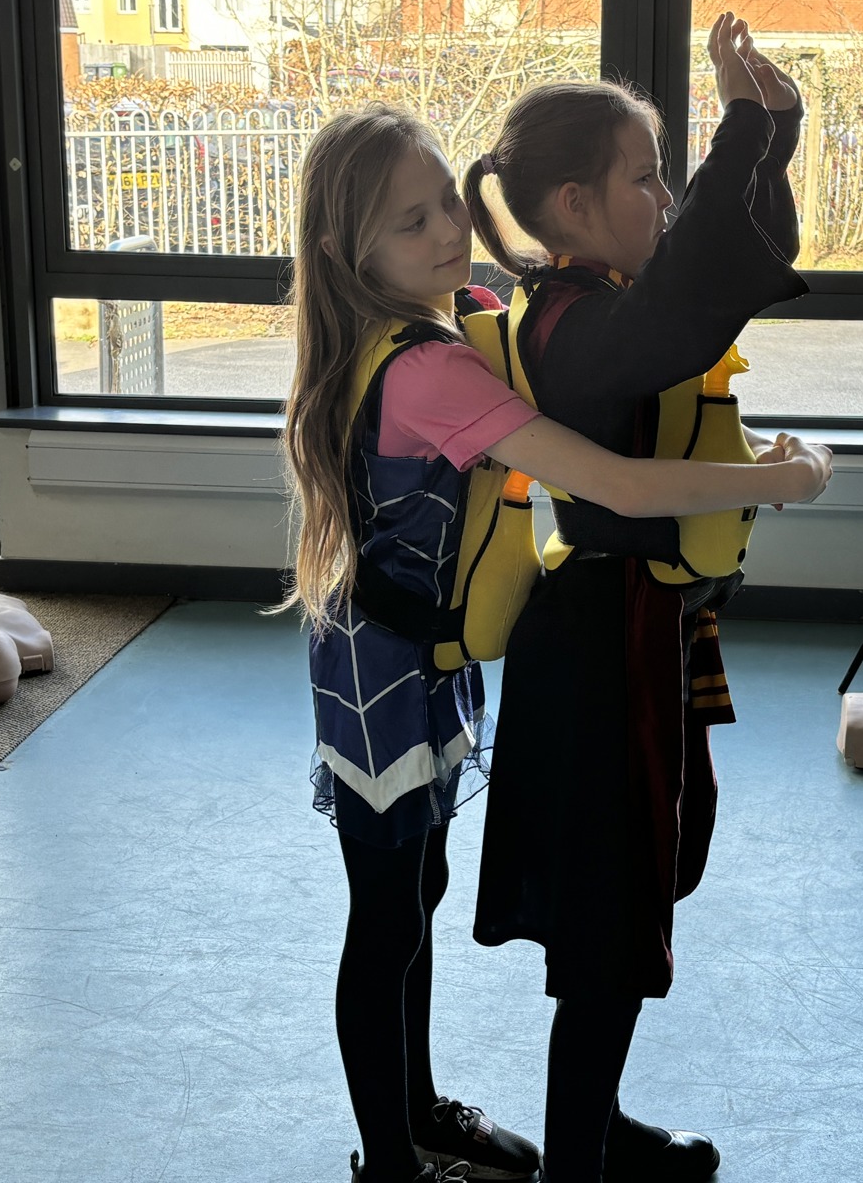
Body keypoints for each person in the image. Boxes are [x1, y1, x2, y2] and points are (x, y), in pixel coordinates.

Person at [280, 103, 831, 1183]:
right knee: (386, 921)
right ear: (353, 258)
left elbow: (543, 310)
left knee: (416, 893)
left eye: (448, 201)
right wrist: (780, 476)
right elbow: (617, 482)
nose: (445, 232)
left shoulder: (436, 323)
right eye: (411, 222)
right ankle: (392, 1161)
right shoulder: (427, 371)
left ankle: (422, 1109)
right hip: (385, 681)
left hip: (411, 659)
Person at [463, 15, 806, 1183]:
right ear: (570, 205)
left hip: (640, 634)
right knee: (608, 928)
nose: (662, 199)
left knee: (644, 884)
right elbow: (680, 310)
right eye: (643, 178)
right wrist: (742, 130)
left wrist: (769, 133)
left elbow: (695, 290)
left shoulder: (594, 297)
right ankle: (578, 1163)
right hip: (598, 652)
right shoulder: (570, 323)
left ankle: (598, 1124)